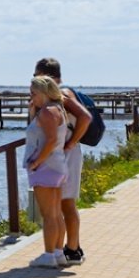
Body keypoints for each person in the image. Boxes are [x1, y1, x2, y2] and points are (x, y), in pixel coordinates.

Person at [34, 58, 92, 265]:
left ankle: (72, 250)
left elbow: (85, 117)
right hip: (62, 152)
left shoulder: (63, 94)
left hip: (67, 153)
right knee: (61, 203)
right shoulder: (53, 97)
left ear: (45, 76)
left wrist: (71, 143)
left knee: (67, 203)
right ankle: (66, 249)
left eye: (36, 76)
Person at [25, 76, 71, 269]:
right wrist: (32, 112)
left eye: (34, 93)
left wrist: (36, 162)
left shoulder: (47, 112)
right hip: (57, 165)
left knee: (48, 215)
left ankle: (48, 255)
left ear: (44, 93)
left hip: (46, 167)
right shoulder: (57, 109)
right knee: (56, 213)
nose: (31, 97)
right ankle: (58, 253)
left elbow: (50, 140)